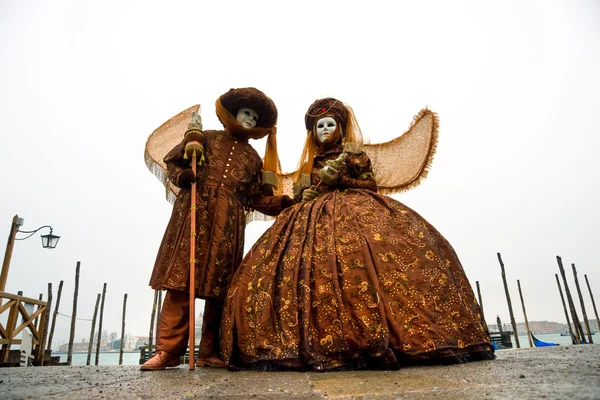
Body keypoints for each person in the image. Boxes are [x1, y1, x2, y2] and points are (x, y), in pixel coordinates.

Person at [220, 97, 494, 371]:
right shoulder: (309, 164)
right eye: (319, 126)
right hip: (310, 217)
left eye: (329, 124)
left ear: (340, 128)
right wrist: (307, 194)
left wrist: (340, 180)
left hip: (355, 208)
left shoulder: (353, 156)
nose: (324, 130)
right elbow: (302, 195)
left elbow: (370, 185)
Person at [141, 87, 293, 371]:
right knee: (180, 284)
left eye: (254, 116)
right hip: (193, 217)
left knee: (220, 291)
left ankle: (210, 353)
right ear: (234, 114)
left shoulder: (253, 160)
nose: (249, 119)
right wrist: (182, 176)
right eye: (246, 113)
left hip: (228, 225)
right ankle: (168, 352)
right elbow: (174, 161)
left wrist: (285, 203)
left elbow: (255, 197)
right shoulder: (204, 138)